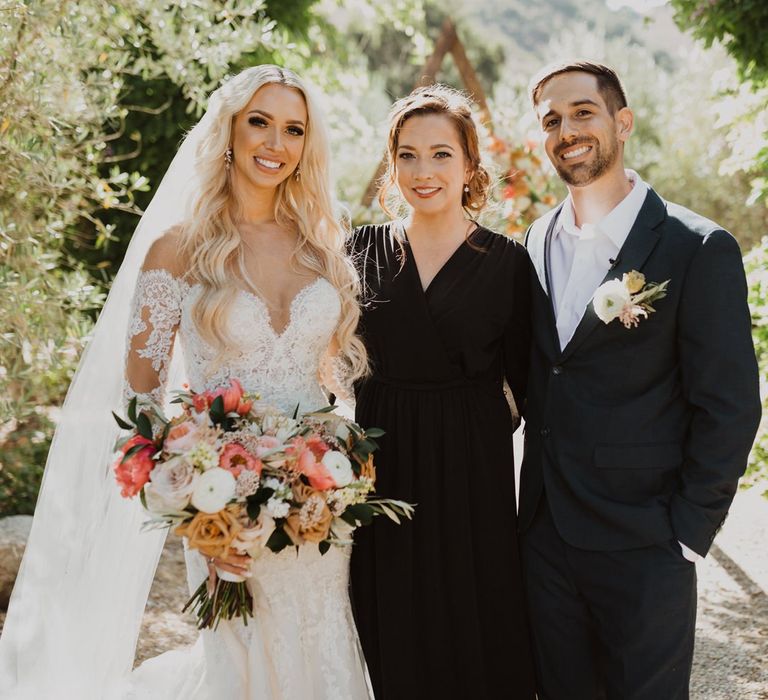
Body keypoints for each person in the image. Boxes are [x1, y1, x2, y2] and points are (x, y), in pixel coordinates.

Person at [0, 65, 373, 700]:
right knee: (243, 661)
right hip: (221, 505)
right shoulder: (178, 249)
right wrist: (201, 516)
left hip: (316, 511)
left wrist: (341, 471)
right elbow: (141, 408)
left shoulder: (323, 252)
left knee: (325, 645)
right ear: (229, 129)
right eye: (259, 121)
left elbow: (336, 387)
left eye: (293, 129)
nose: (274, 143)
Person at [520, 60, 762, 700]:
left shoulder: (696, 247)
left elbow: (730, 405)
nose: (566, 130)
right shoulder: (534, 241)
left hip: (645, 541)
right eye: (551, 120)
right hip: (546, 537)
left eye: (582, 113)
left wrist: (687, 533)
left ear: (621, 122)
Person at [349, 84, 537, 700]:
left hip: (470, 462)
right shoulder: (359, 251)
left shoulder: (508, 263)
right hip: (384, 457)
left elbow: (528, 382)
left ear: (469, 167)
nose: (422, 172)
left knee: (473, 604)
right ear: (391, 163)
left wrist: (476, 426)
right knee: (392, 607)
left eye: (440, 155)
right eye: (407, 155)